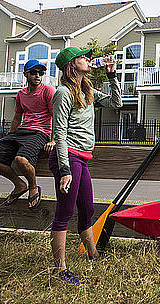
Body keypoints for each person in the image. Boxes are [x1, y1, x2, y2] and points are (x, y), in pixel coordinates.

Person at [49, 47, 122, 285]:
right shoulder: (63, 92)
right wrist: (65, 170)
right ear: (71, 65)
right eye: (83, 57)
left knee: (87, 209)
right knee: (65, 212)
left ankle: (93, 254)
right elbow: (58, 132)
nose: (88, 59)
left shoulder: (86, 90)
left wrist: (112, 74)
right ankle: (60, 268)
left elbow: (115, 102)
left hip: (82, 158)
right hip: (68, 157)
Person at [0, 59, 55, 209]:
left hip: (40, 132)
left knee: (21, 160)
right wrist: (9, 139)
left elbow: (55, 116)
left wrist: (53, 140)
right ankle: (19, 184)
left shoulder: (48, 90)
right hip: (21, 132)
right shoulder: (21, 94)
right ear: (25, 74)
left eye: (40, 73)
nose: (38, 75)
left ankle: (33, 186)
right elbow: (17, 117)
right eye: (33, 72)